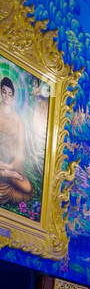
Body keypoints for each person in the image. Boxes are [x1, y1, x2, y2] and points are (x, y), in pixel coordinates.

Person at [0, 77, 33, 205]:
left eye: (10, 94)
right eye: (4, 92)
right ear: (0, 92)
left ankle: (5, 174)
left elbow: (20, 154)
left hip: (10, 166)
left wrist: (9, 167)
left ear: (13, 97)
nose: (6, 96)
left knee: (27, 187)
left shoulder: (18, 121)